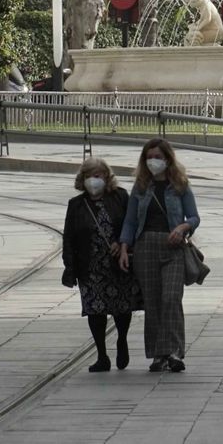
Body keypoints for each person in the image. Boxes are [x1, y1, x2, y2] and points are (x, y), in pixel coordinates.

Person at [117, 138, 199, 372]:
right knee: (153, 302)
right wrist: (124, 247)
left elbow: (194, 217)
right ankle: (159, 354)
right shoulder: (141, 187)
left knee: (171, 298)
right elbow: (131, 221)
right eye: (149, 157)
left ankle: (174, 351)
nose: (153, 162)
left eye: (158, 157)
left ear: (168, 159)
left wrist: (183, 227)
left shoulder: (180, 185)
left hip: (172, 247)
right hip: (146, 248)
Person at [61, 158, 142, 372]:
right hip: (90, 266)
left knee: (122, 306)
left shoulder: (119, 197)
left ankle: (122, 340)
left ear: (106, 178)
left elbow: (131, 223)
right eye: (88, 176)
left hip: (118, 263)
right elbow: (68, 237)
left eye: (97, 176)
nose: (92, 181)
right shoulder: (76, 205)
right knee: (94, 309)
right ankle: (102, 355)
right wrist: (70, 269)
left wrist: (122, 243)